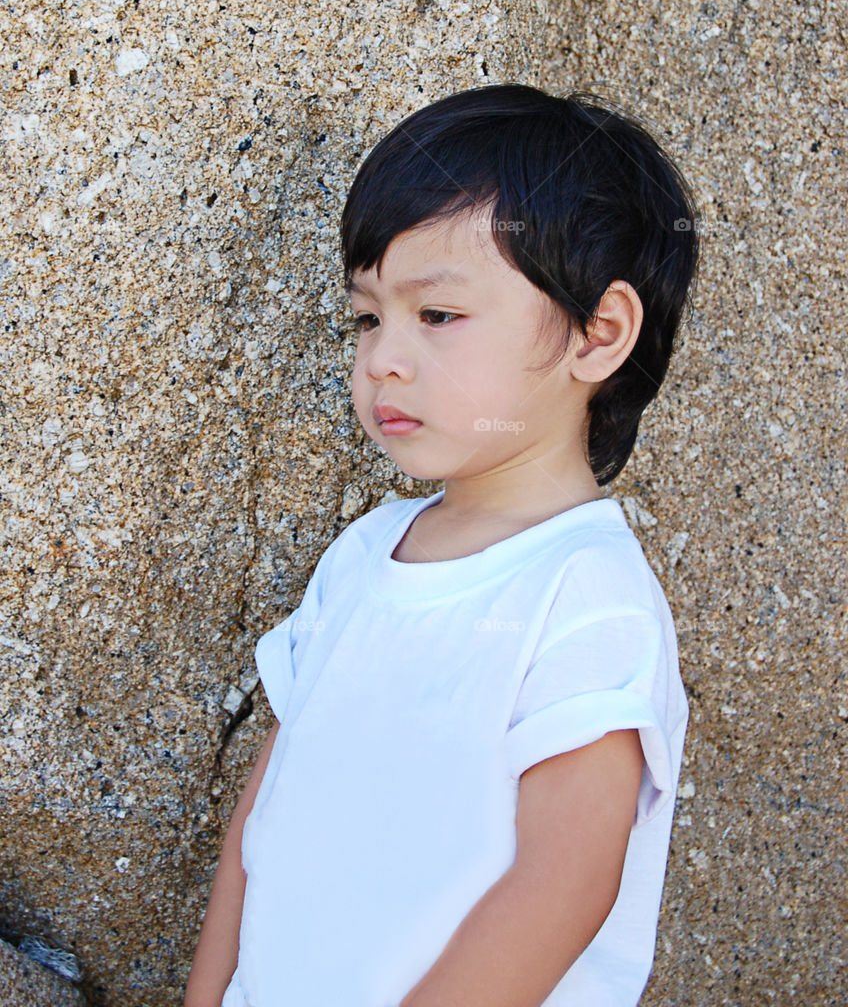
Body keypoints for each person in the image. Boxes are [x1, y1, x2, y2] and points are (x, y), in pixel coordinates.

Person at [184, 83, 701, 1007]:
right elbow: (261, 823)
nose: (383, 356)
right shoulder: (364, 557)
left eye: (438, 316)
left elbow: (564, 885)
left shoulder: (586, 596)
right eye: (367, 317)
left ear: (599, 332)